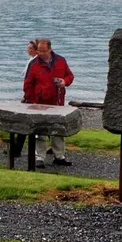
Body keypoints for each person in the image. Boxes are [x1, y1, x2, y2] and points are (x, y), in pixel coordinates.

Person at [23, 38, 74, 166]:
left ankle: (59, 156)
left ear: (50, 49)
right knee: (40, 131)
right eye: (38, 50)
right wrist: (32, 100)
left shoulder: (61, 61)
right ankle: (39, 157)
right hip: (39, 103)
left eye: (43, 51)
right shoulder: (34, 64)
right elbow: (27, 84)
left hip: (57, 101)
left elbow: (70, 76)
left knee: (57, 129)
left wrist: (64, 82)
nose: (40, 53)